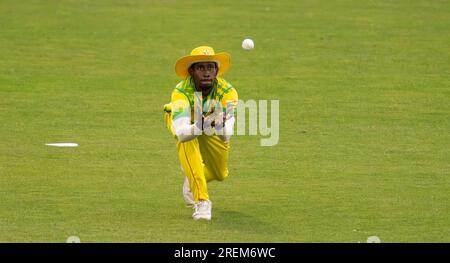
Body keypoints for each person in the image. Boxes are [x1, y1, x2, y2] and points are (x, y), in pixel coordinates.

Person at [163, 46, 238, 221]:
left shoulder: (228, 92)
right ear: (191, 71)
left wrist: (218, 126)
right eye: (200, 68)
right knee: (188, 144)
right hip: (187, 123)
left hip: (211, 123)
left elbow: (227, 135)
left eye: (210, 67)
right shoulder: (181, 92)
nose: (206, 73)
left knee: (220, 173)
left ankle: (192, 179)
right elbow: (181, 133)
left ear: (217, 71)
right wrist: (200, 125)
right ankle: (202, 201)